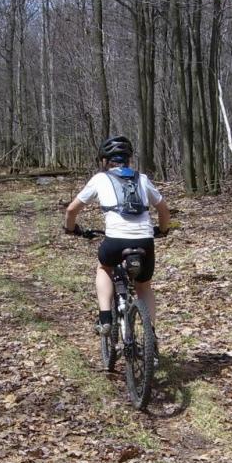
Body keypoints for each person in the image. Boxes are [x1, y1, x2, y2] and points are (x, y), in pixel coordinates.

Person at [63, 135, 171, 338]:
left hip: (115, 241)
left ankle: (105, 318)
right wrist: (163, 230)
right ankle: (151, 336)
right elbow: (164, 211)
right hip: (145, 241)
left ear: (105, 161)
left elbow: (71, 210)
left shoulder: (100, 179)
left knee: (104, 267)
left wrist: (70, 229)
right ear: (129, 160)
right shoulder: (142, 179)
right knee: (143, 285)